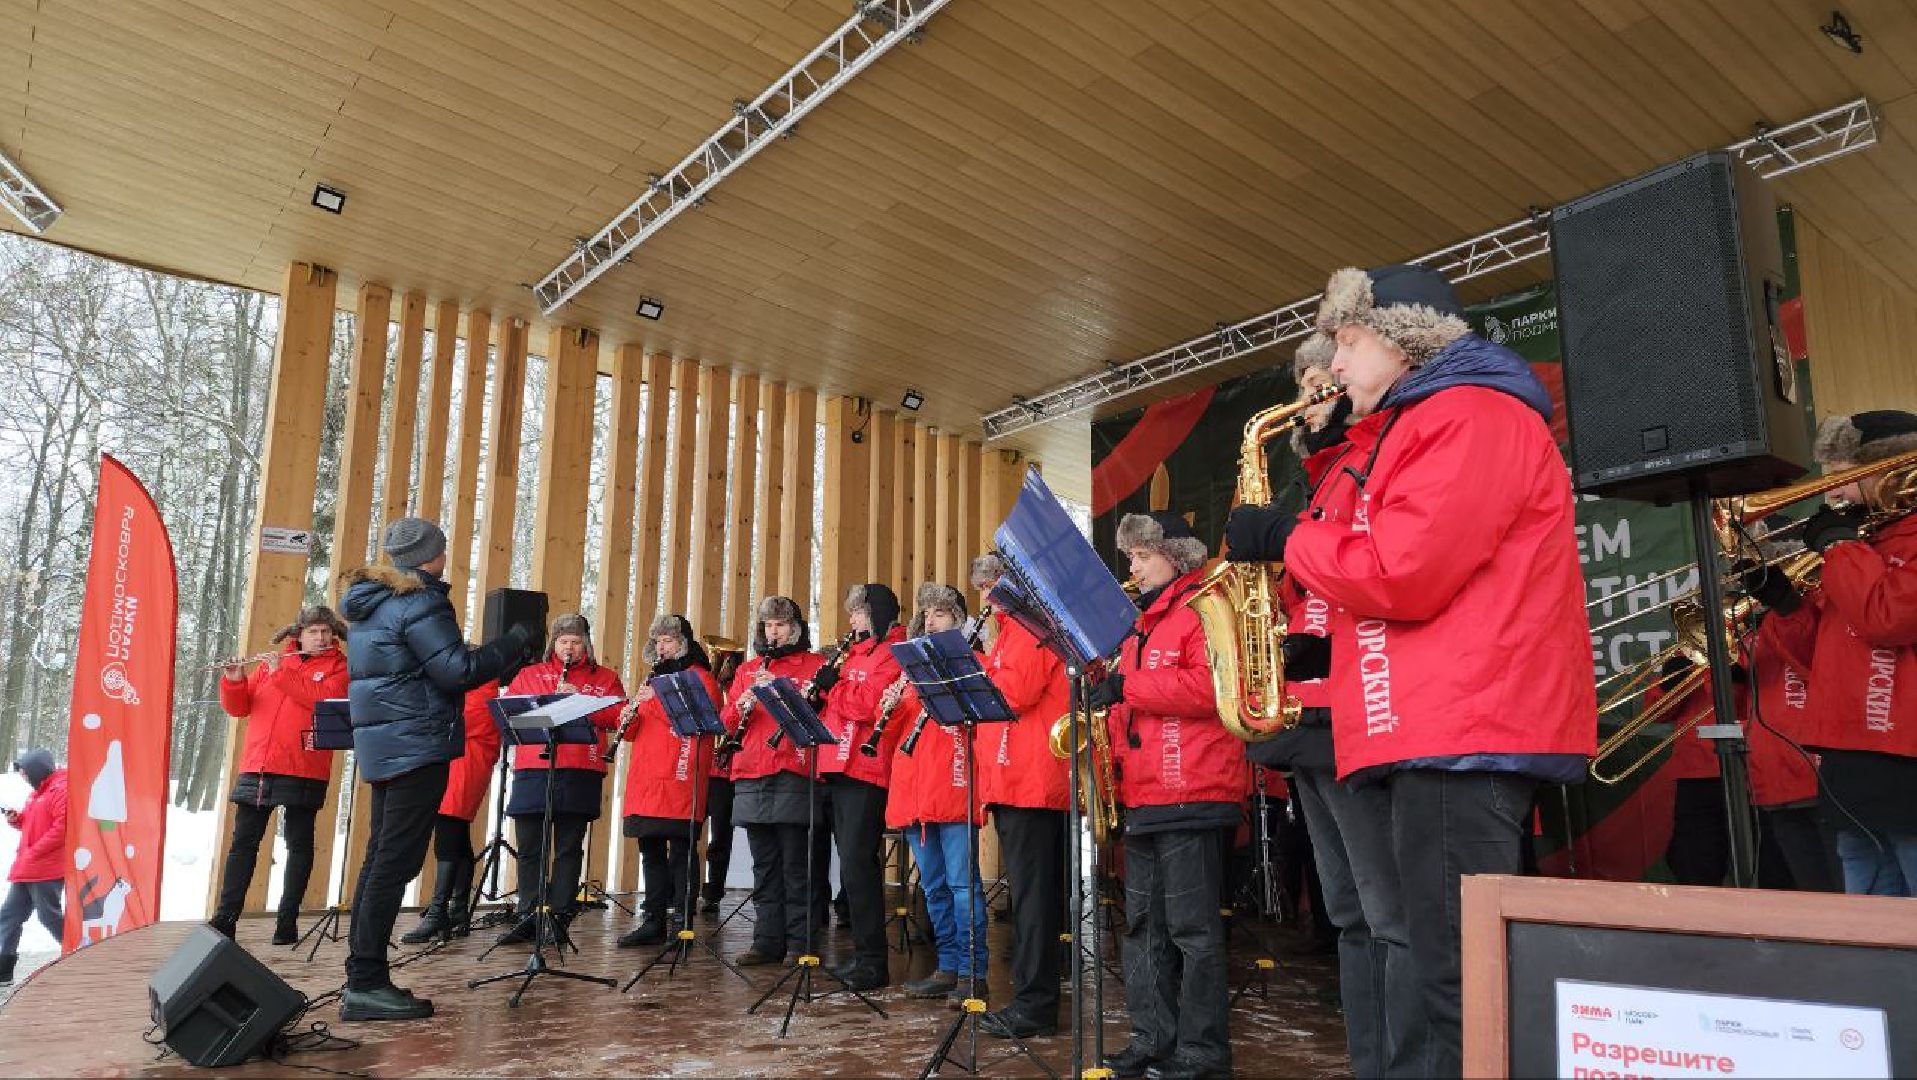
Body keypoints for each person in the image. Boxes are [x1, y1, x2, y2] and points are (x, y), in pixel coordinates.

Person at [1229, 264, 1596, 1076]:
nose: (1336, 362)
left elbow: (1402, 570)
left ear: (1403, 342)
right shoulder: (1419, 422)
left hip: (1459, 728)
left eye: (1350, 341)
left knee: (1450, 984)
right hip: (1425, 725)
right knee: (1432, 971)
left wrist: (1286, 537)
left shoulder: (1466, 414)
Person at [1244, 336, 1424, 1079]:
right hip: (1308, 725)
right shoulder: (1315, 482)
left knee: (1388, 918)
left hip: (1364, 714)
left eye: (1326, 383)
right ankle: (1369, 1060)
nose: (1313, 400)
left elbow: (1380, 567)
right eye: (1308, 387)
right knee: (1347, 914)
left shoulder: (1381, 457)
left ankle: (1405, 1062)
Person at [338, 516, 533, 1021]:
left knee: (379, 858)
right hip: (416, 744)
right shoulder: (420, 601)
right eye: (443, 550)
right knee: (394, 864)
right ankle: (366, 982)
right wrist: (513, 641)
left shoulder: (371, 606)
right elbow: (457, 671)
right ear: (432, 556)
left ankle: (361, 973)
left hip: (386, 746)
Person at [1094, 512, 1238, 1080]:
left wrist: (1127, 685)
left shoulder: (1203, 608)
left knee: (1193, 930)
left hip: (1192, 785)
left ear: (1173, 555)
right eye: (1130, 557)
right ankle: (1153, 1039)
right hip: (1146, 792)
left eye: (1141, 556)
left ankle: (1203, 1053)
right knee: (1142, 926)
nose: (1132, 567)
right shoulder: (1140, 625)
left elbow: (1211, 686)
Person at [1759, 411, 1917, 895]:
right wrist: (1785, 605)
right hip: (1849, 756)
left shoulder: (1865, 548)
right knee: (1865, 917)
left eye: (1846, 477)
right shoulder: (1861, 546)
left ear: (1891, 471)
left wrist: (1841, 548)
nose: (1834, 494)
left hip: (1902, 756)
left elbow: (1886, 619)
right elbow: (1815, 661)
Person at [969, 552, 1072, 1041]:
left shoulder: (1031, 628)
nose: (984, 598)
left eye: (989, 586)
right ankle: (1033, 998)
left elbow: (1014, 693)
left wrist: (974, 673)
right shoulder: (1015, 630)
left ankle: (1034, 1005)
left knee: (1032, 902)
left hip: (1032, 780)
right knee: (1031, 898)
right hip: (1018, 778)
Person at [209, 607, 350, 945]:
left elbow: (320, 700)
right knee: (244, 843)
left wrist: (280, 674)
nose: (321, 637)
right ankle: (226, 918)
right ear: (298, 635)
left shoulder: (339, 668)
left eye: (325, 632)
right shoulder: (273, 665)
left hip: (304, 765)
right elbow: (241, 708)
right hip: (259, 763)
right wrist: (234, 679)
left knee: (298, 844)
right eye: (313, 631)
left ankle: (287, 920)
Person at [887, 584, 990, 1003]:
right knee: (933, 888)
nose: (930, 620)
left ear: (959, 620)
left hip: (954, 784)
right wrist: (889, 705)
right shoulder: (909, 670)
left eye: (941, 614)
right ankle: (948, 967)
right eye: (926, 613)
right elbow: (891, 736)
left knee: (963, 886)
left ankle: (973, 972)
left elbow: (987, 721)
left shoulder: (972, 664)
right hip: (914, 792)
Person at [496, 613, 625, 944]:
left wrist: (577, 703)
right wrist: (551, 704)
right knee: (530, 847)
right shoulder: (529, 674)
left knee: (568, 848)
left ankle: (560, 917)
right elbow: (513, 717)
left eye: (576, 641)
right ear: (553, 644)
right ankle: (528, 913)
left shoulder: (606, 678)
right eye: (563, 641)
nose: (569, 648)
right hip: (533, 767)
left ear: (587, 645)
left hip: (581, 768)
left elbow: (618, 716)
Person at [727, 596, 830, 966]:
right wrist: (742, 705)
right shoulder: (747, 670)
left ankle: (801, 942)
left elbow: (822, 716)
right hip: (752, 769)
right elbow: (725, 720)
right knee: (764, 866)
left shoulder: (815, 665)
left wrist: (778, 690)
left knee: (797, 866)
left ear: (795, 628)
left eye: (781, 625)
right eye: (769, 625)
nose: (774, 631)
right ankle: (766, 941)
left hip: (794, 768)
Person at [815, 583, 907, 991]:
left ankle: (874, 962)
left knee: (858, 866)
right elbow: (840, 707)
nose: (851, 621)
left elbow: (866, 705)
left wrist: (832, 687)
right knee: (850, 869)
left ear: (877, 616)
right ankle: (862, 955)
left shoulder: (891, 654)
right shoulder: (852, 653)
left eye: (858, 613)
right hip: (836, 765)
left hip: (865, 769)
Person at [617, 615, 721, 946]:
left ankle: (682, 920)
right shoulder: (652, 681)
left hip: (680, 774)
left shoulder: (700, 678)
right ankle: (653, 920)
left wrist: (654, 700)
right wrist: (629, 714)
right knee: (650, 849)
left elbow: (697, 720)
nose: (662, 647)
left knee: (681, 851)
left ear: (683, 644)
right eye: (658, 641)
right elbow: (635, 732)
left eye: (669, 641)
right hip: (647, 776)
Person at [399, 677, 501, 944]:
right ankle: (456, 910)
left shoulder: (482, 692)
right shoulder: (466, 690)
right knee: (456, 835)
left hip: (466, 762)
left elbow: (454, 721)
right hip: (455, 761)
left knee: (448, 830)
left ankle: (438, 913)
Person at [1, 749, 66, 986]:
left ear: (38, 770)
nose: (24, 778)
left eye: (26, 773)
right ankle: (3, 971)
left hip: (46, 869)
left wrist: (35, 851)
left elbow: (63, 828)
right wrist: (17, 819)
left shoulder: (61, 789)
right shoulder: (37, 793)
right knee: (8, 916)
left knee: (49, 916)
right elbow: (32, 823)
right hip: (28, 867)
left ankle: (81, 952)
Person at [702, 642, 747, 915]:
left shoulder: (736, 693)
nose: (722, 668)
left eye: (728, 663)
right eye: (719, 662)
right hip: (701, 767)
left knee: (720, 836)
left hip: (724, 773)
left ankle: (713, 891)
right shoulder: (709, 690)